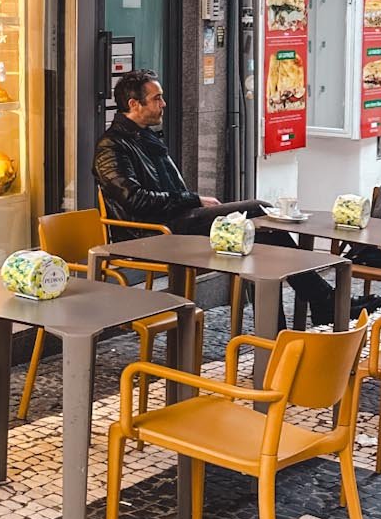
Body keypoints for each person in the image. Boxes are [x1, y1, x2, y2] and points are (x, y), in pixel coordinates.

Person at [94, 69, 336, 327]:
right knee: (259, 213)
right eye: (157, 98)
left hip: (176, 221)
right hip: (152, 233)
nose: (163, 104)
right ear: (134, 104)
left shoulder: (145, 137)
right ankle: (320, 299)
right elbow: (135, 200)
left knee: (262, 234)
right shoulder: (111, 146)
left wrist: (190, 202)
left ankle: (298, 317)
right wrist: (192, 199)